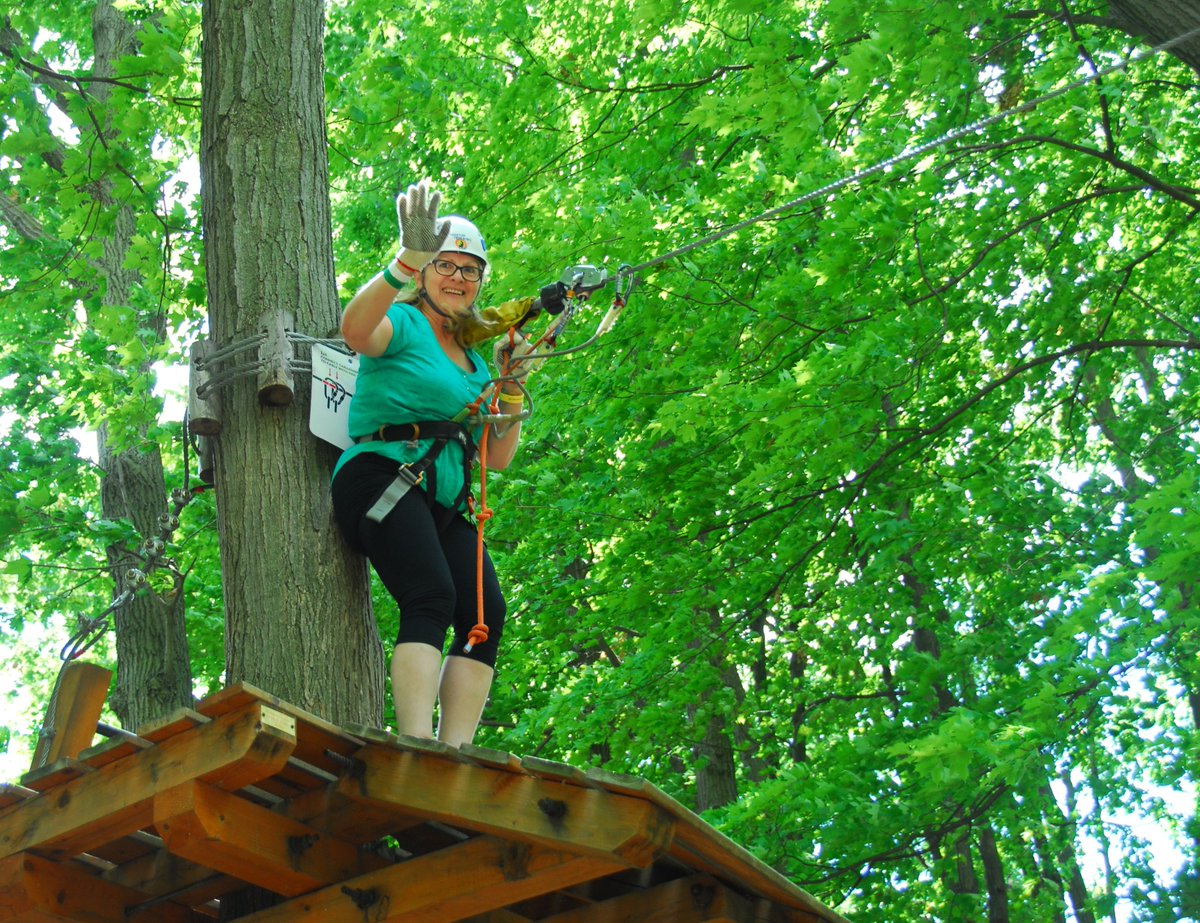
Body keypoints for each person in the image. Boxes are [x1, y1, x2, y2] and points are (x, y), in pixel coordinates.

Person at [331, 180, 536, 747]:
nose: (457, 278)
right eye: (445, 264)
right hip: (383, 476)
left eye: (470, 270)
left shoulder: (475, 363)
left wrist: (511, 384)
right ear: (425, 274)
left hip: (443, 498)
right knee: (432, 596)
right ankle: (418, 743)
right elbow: (354, 331)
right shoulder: (405, 323)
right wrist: (404, 261)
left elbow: (496, 455)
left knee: (485, 614)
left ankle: (457, 751)